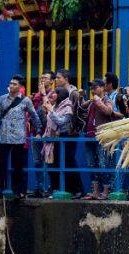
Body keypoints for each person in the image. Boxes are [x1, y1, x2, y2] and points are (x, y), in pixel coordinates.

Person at [0, 75, 42, 199]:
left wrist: (39, 130)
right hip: (3, 136)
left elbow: (34, 116)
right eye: (10, 83)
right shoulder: (2, 99)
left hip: (19, 138)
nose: (11, 85)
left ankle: (18, 191)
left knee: (18, 166)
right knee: (1, 165)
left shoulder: (25, 100)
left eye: (14, 84)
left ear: (20, 87)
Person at [81, 79, 114, 200]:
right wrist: (81, 99)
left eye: (95, 87)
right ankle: (95, 191)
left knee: (103, 164)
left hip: (102, 137)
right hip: (89, 137)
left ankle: (105, 191)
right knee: (91, 164)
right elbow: (80, 110)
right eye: (91, 88)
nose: (92, 90)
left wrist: (98, 102)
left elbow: (109, 111)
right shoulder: (91, 102)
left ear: (102, 88)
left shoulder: (107, 100)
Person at [55, 69, 83, 197]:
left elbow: (78, 113)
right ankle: (68, 188)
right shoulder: (59, 93)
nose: (56, 80)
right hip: (61, 131)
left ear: (66, 79)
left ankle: (78, 189)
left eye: (59, 78)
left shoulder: (74, 93)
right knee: (62, 160)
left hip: (71, 132)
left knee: (69, 159)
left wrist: (74, 129)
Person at [41, 87, 73, 193]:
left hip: (64, 138)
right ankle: (55, 188)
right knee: (53, 164)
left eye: (55, 93)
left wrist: (50, 111)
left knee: (63, 164)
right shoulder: (55, 106)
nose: (53, 95)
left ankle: (67, 189)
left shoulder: (68, 107)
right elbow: (48, 120)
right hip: (53, 139)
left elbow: (61, 122)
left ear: (61, 95)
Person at [31, 71, 55, 196]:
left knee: (49, 161)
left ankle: (50, 188)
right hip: (36, 134)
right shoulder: (35, 97)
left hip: (49, 134)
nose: (42, 80)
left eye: (45, 78)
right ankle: (39, 187)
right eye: (41, 78)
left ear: (51, 81)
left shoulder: (54, 95)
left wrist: (43, 94)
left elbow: (48, 110)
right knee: (37, 161)